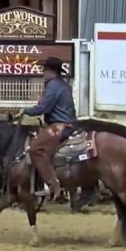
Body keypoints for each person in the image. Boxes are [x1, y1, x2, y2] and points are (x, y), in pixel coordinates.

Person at [23, 56, 76, 200]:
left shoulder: (53, 86)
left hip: (59, 126)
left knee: (35, 149)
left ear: (50, 71)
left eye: (44, 70)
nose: (43, 74)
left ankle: (53, 185)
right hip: (65, 124)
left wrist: (25, 111)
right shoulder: (63, 84)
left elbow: (43, 107)